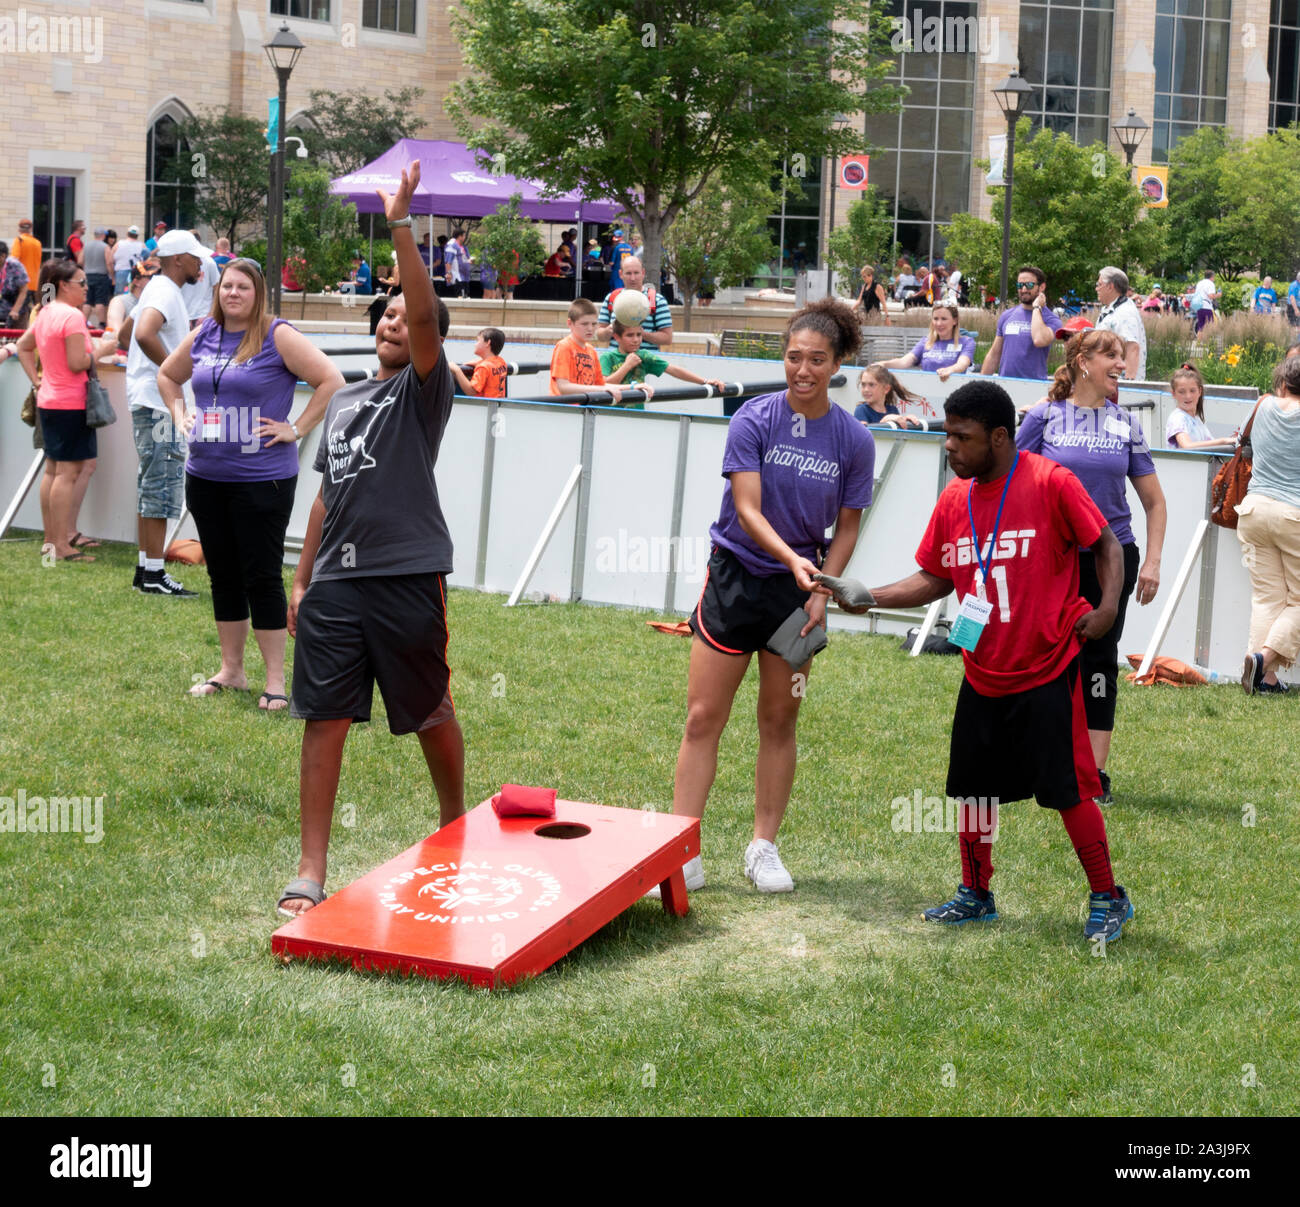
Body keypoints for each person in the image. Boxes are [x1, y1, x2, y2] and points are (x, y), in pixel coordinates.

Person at [816, 379, 1134, 943]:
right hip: (983, 669)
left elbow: (1106, 543)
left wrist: (1108, 607)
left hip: (1049, 663)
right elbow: (936, 576)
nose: (949, 447)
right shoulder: (953, 501)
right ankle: (976, 893)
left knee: (1071, 790)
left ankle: (1109, 897)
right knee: (972, 788)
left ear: (1000, 437)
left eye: (961, 438)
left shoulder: (1051, 482)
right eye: (946, 435)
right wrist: (869, 595)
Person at [279, 160, 465, 916]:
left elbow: (425, 316)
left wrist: (398, 225)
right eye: (383, 314)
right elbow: (327, 490)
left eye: (404, 318)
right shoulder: (348, 401)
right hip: (335, 586)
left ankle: (457, 824)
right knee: (323, 719)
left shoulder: (423, 390)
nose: (394, 321)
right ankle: (310, 868)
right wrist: (302, 575)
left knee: (428, 710)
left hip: (406, 575)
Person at [662, 297, 874, 895]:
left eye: (817, 359)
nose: (802, 370)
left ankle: (763, 847)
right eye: (792, 357)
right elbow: (747, 509)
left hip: (799, 595)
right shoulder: (753, 418)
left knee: (779, 719)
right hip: (736, 578)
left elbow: (850, 525)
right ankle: (682, 848)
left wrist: (821, 592)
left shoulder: (854, 440)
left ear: (839, 363)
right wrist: (794, 562)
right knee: (704, 716)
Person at [157, 253, 343, 708]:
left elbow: (331, 380)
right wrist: (180, 413)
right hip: (205, 475)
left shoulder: (277, 335)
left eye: (242, 287)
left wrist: (296, 428)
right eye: (226, 287)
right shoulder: (205, 332)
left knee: (261, 575)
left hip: (263, 480)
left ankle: (276, 681)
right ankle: (232, 671)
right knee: (223, 573)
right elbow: (168, 375)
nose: (233, 293)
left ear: (258, 294)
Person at [1016, 328, 1167, 806]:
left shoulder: (1126, 424)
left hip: (1112, 557)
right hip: (1053, 558)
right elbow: (1010, 481)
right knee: (1047, 658)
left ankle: (1094, 773)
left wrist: (1153, 563)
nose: (1122, 365)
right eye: (1113, 357)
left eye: (1122, 357)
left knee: (1100, 661)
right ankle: (1048, 760)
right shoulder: (1044, 417)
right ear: (1083, 361)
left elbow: (1154, 503)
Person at [14, 260, 119, 561]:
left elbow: (23, 345)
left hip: (50, 400)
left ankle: (52, 540)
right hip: (70, 403)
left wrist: (37, 382)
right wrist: (102, 350)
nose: (87, 288)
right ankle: (60, 545)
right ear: (64, 285)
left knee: (53, 471)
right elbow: (77, 362)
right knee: (66, 473)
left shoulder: (46, 312)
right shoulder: (70, 316)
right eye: (82, 283)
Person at [126, 232, 206, 597]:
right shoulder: (163, 290)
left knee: (150, 484)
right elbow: (143, 333)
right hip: (159, 403)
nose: (201, 264)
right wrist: (172, 371)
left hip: (149, 400)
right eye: (195, 258)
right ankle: (155, 574)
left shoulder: (156, 289)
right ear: (178, 259)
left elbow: (127, 330)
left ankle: (147, 569)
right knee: (159, 486)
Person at [1237, 356, 1300, 695]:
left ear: (1283, 380)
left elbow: (1242, 448)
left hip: (1254, 508)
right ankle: (1263, 659)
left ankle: (1264, 678)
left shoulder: (1261, 404)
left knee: (1266, 599)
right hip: (1294, 514)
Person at [597, 319, 725, 409]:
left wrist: (705, 381)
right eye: (630, 335)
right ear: (617, 337)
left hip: (636, 416)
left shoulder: (643, 355)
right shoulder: (607, 357)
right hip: (610, 414)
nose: (636, 340)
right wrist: (627, 366)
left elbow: (673, 369)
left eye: (639, 335)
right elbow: (603, 385)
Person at [981, 265, 1063, 379]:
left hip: (1033, 387)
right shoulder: (1007, 316)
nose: (1023, 289)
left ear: (1041, 287)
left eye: (1029, 285)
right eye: (1020, 285)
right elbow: (994, 354)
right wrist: (980, 382)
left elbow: (1039, 340)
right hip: (1005, 385)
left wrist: (1037, 308)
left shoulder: (1051, 320)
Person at [550, 298, 626, 401]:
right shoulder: (564, 347)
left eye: (594, 324)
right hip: (564, 411)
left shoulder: (591, 350)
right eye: (584, 324)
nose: (590, 328)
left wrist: (633, 387)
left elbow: (601, 385)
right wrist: (602, 390)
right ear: (570, 323)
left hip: (584, 411)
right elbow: (563, 387)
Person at [875, 302, 974, 381]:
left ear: (955, 321)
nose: (939, 323)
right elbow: (903, 362)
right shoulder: (925, 342)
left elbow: (962, 364)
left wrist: (950, 370)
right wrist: (883, 364)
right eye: (935, 319)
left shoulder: (966, 342)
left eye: (944, 319)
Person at [596, 255, 672, 347]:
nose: (633, 278)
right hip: (616, 360)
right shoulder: (611, 298)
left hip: (645, 360)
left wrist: (641, 334)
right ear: (620, 274)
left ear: (643, 273)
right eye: (628, 273)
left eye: (636, 273)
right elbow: (600, 334)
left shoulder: (656, 300)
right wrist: (609, 330)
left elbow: (667, 338)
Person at [1165, 363, 1235, 451]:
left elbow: (1210, 445)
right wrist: (1224, 441)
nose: (1188, 396)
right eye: (1181, 392)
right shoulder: (1177, 418)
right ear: (1173, 394)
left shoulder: (1197, 419)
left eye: (1192, 391)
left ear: (1200, 391)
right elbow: (1187, 446)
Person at [1094, 266, 1147, 381]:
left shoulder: (1125, 313)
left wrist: (1127, 387)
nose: (1096, 289)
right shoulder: (1111, 309)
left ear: (1110, 287)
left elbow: (1132, 348)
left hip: (1119, 386)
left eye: (1099, 284)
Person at [853, 365, 928, 429]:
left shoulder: (893, 410)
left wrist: (907, 421)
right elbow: (862, 435)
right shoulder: (861, 410)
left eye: (871, 385)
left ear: (886, 389)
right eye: (863, 384)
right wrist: (885, 421)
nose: (866, 389)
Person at [449, 326, 508, 398]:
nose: (475, 344)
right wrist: (479, 362)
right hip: (498, 406)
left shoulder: (483, 367)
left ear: (488, 343)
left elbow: (471, 391)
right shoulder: (501, 361)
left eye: (478, 340)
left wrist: (457, 370)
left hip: (485, 407)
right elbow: (491, 365)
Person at [181, 240, 220, 326]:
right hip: (183, 316)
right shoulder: (180, 266)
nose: (200, 263)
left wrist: (211, 314)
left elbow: (217, 288)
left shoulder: (210, 262)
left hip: (203, 316)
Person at [82, 228, 113, 328]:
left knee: (87, 301)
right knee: (100, 301)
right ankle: (102, 324)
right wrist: (112, 275)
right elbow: (109, 262)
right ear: (103, 235)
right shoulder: (105, 247)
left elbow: (79, 260)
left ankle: (83, 322)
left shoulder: (86, 246)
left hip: (88, 275)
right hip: (101, 276)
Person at [13, 219, 42, 317]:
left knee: (20, 312)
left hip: (22, 284)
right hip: (34, 283)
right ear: (31, 229)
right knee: (35, 311)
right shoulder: (37, 243)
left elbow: (14, 260)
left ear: (19, 229)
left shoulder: (19, 240)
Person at [0, 242, 30, 330]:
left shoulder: (15, 266)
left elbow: (23, 290)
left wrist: (15, 310)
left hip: (16, 310)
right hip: (2, 309)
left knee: (16, 340)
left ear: (3, 256)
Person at [113, 225, 149, 294]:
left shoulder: (118, 244)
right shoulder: (142, 245)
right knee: (135, 295)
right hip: (136, 273)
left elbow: (110, 261)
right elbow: (147, 259)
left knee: (120, 295)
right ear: (137, 235)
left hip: (121, 272)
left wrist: (112, 276)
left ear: (127, 233)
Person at [1189, 269, 1220, 334]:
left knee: (1201, 328)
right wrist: (1219, 295)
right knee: (1211, 326)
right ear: (1212, 277)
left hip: (1199, 306)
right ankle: (1209, 343)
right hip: (1207, 307)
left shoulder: (1199, 283)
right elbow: (1211, 296)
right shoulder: (1210, 283)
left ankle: (1199, 343)